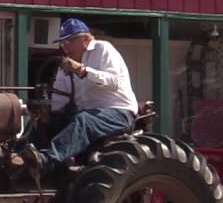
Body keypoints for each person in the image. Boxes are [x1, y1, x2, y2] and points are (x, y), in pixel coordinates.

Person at [24, 18, 138, 177]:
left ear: (86, 39)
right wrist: (45, 112)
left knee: (83, 120)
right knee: (41, 122)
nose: (65, 47)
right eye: (62, 43)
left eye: (69, 41)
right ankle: (21, 159)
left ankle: (47, 160)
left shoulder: (103, 49)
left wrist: (83, 71)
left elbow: (114, 82)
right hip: (87, 113)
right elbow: (59, 100)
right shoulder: (65, 65)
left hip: (118, 113)